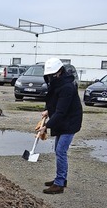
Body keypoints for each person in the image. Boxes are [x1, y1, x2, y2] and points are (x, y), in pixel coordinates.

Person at [37, 58, 82, 195]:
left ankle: (59, 184)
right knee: (58, 149)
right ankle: (61, 179)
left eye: (53, 74)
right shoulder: (56, 83)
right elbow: (54, 102)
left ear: (60, 71)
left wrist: (47, 126)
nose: (50, 77)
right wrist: (48, 111)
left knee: (61, 151)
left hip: (70, 122)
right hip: (63, 121)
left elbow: (61, 111)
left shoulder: (67, 87)